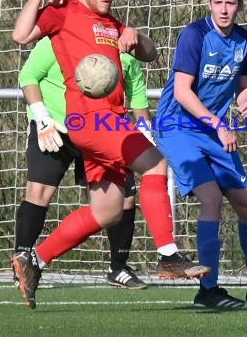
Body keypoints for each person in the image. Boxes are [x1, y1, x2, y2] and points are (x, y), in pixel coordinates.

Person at [11, 0, 210, 309]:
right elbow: (20, 35)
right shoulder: (65, 12)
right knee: (156, 165)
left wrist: (137, 36)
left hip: (110, 121)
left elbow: (150, 54)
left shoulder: (112, 24)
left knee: (107, 212)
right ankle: (168, 255)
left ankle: (35, 262)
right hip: (89, 120)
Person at [155, 0, 247, 309]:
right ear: (209, 4)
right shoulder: (195, 35)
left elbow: (242, 84)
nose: (224, 9)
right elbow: (183, 92)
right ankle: (207, 291)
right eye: (218, 3)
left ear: (240, 4)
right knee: (211, 198)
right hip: (177, 126)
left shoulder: (244, 41)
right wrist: (220, 125)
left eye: (230, 2)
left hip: (213, 131)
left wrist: (246, 104)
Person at [15, 36, 155, 290]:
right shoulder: (58, 40)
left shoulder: (123, 50)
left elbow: (137, 97)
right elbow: (28, 77)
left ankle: (118, 268)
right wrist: (42, 117)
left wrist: (145, 134)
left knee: (123, 199)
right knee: (39, 192)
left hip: (102, 131)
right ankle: (23, 262)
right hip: (54, 127)